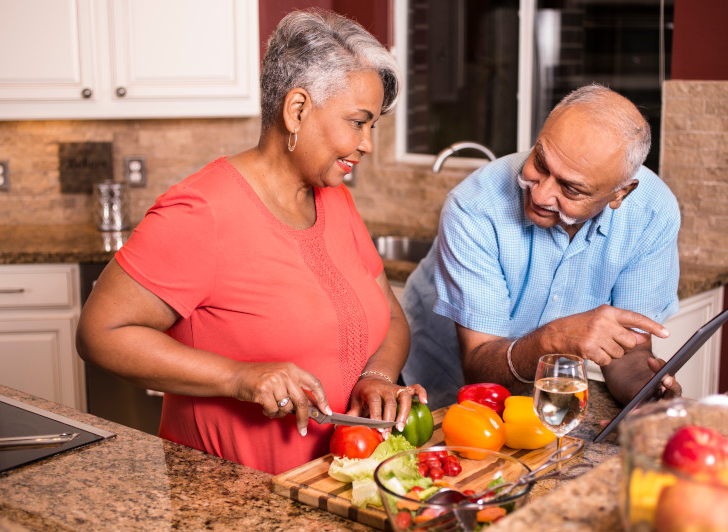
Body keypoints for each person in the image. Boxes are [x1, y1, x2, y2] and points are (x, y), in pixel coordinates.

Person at [76, 9, 426, 475]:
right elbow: (100, 333)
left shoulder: (335, 199)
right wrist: (239, 377)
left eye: (373, 127)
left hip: (337, 482)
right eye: (358, 123)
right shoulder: (201, 211)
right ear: (297, 109)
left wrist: (377, 376)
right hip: (234, 495)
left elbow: (390, 314)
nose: (366, 144)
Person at [400, 84, 682, 411]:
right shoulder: (474, 206)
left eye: (571, 189)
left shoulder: (653, 213)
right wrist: (554, 340)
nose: (540, 195)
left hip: (541, 396)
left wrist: (644, 391)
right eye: (541, 162)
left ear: (620, 194)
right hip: (437, 380)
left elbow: (628, 352)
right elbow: (479, 369)